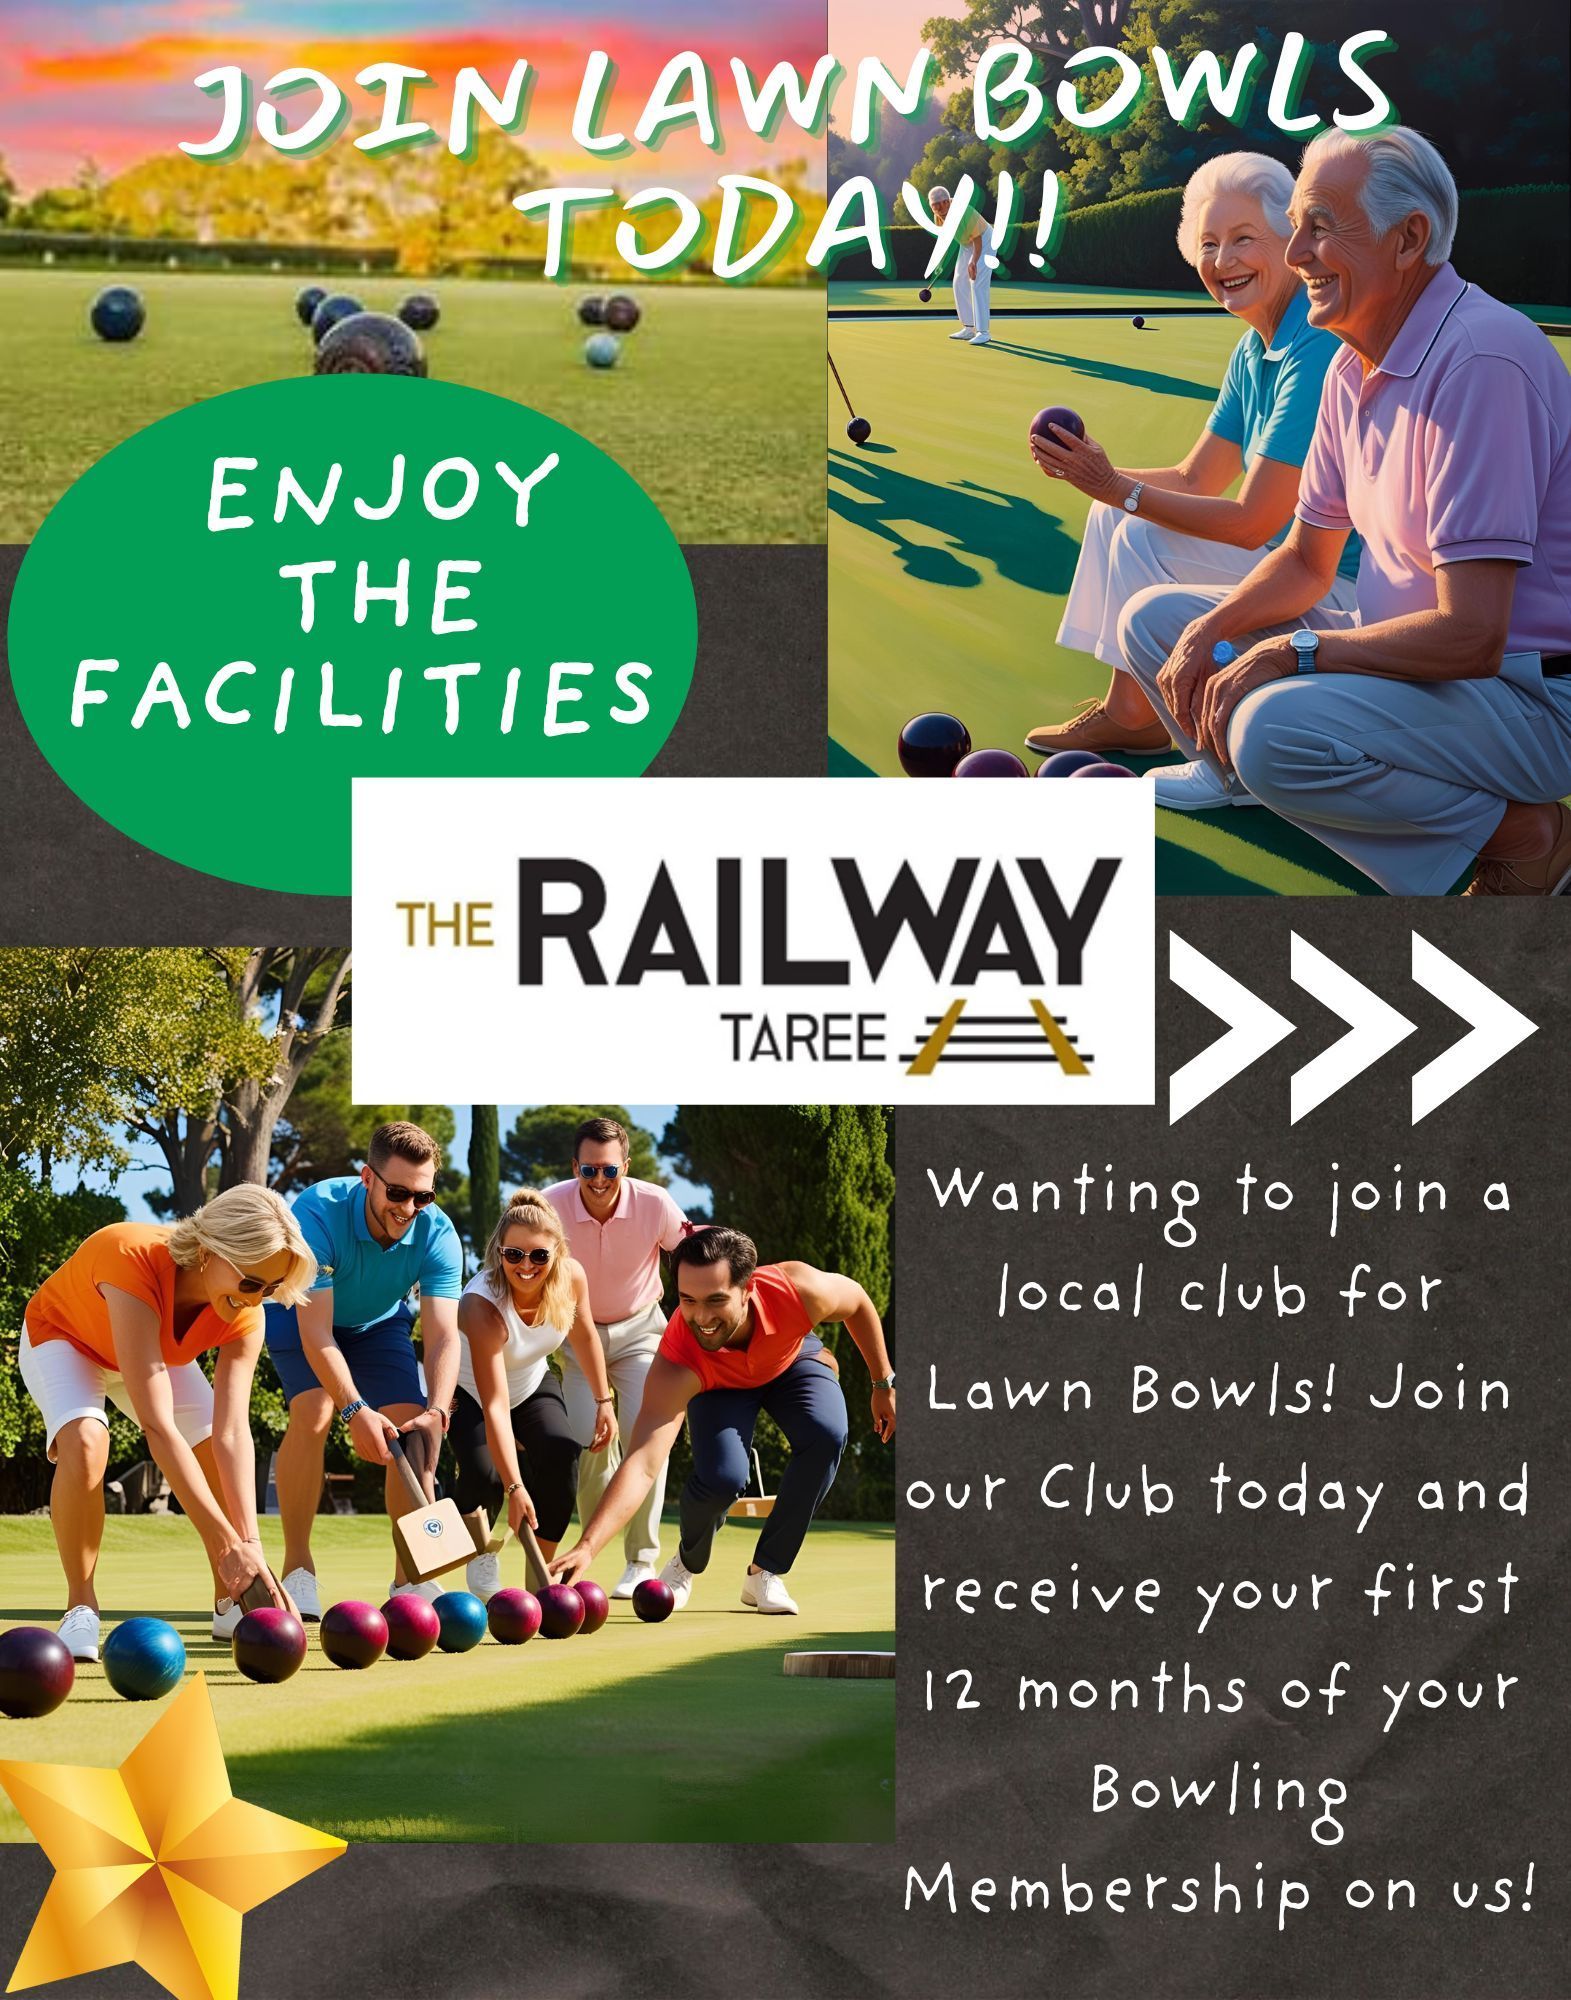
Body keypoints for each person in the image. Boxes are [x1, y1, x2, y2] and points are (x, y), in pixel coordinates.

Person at [1123, 127, 1571, 894]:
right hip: (1411, 662)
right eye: (1296, 224)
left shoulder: (1480, 360)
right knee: (1157, 625)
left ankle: (1526, 837)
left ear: (1409, 240)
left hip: (1531, 697)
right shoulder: (1348, 363)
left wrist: (1291, 654)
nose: (1294, 253)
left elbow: (1470, 636)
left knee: (1272, 735)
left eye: (1320, 226)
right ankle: (1273, 771)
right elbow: (1305, 561)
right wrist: (1213, 629)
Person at [1025, 150, 1360, 803]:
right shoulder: (1253, 346)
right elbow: (1198, 474)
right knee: (1117, 515)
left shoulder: (1314, 347)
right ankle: (1132, 716)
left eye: (1243, 239)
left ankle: (1221, 759)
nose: (1222, 261)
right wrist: (1095, 477)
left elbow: (1252, 522)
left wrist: (1113, 485)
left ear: (1289, 244)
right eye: (1208, 244)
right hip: (1289, 563)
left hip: (1342, 587)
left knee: (1135, 525)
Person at [18, 1186, 315, 1661]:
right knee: (88, 1442)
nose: (257, 1298)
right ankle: (81, 1607)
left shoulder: (245, 1313)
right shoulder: (130, 1255)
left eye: (270, 1288)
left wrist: (249, 1546)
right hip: (65, 1339)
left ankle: (229, 1600)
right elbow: (158, 1427)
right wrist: (225, 1543)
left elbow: (232, 1432)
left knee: (209, 1447)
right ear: (208, 1251)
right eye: (250, 1282)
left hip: (150, 1352)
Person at [549, 1226, 896, 1617]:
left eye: (716, 1300)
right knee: (723, 1478)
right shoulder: (678, 1359)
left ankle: (765, 1572)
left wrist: (882, 1383)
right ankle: (685, 1563)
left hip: (791, 1361)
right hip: (716, 1383)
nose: (701, 1317)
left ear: (748, 1290)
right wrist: (588, 1546)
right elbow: (644, 1463)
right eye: (688, 1300)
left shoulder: (798, 1289)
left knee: (826, 1434)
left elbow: (858, 1301)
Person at [264, 1120, 462, 1617]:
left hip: (378, 1324)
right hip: (300, 1317)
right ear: (367, 1178)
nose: (410, 1208)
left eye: (423, 1196)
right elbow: (318, 1334)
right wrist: (354, 1409)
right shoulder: (316, 1214)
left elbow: (440, 1336)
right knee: (314, 1413)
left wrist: (438, 1410)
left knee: (412, 1425)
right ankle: (298, 1570)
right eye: (398, 1192)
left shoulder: (437, 1233)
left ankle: (411, 1581)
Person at [542, 1117, 690, 1597]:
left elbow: (693, 1255)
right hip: (576, 1338)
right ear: (575, 1167)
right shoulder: (550, 1205)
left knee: (649, 1440)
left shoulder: (655, 1202)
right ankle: (595, 1545)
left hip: (642, 1332)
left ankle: (641, 1561)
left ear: (626, 1166)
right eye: (589, 1171)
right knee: (589, 1440)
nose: (600, 1181)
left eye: (610, 1170)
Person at [453, 1190, 617, 1599]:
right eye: (514, 1255)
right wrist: (514, 1487)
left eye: (539, 1256)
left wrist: (604, 1401)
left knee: (562, 1454)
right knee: (484, 1472)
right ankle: (480, 1555)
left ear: (557, 1253)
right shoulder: (481, 1305)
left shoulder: (572, 1278)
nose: (526, 1266)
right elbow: (494, 1406)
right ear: (498, 1251)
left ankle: (542, 1576)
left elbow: (585, 1338)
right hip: (470, 1390)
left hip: (530, 1383)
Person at [930, 186, 992, 347]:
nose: (941, 212)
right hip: (966, 243)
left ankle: (983, 332)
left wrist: (973, 262)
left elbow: (978, 239)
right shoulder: (938, 214)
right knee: (958, 282)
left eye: (943, 206)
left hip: (984, 240)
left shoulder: (965, 211)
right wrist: (941, 262)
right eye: (936, 208)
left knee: (977, 284)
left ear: (948, 201)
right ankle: (969, 327)